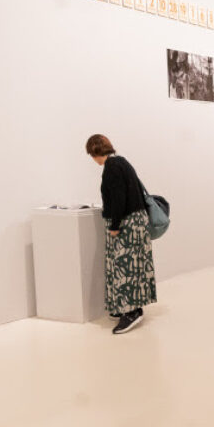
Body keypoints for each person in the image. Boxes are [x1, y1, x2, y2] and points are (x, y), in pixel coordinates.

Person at [85, 134, 157, 334]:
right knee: (131, 265)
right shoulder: (121, 162)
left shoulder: (112, 168)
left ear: (97, 152)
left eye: (92, 155)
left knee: (125, 267)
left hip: (127, 225)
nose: (93, 159)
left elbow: (118, 199)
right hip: (136, 222)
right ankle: (127, 307)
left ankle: (132, 311)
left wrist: (115, 225)